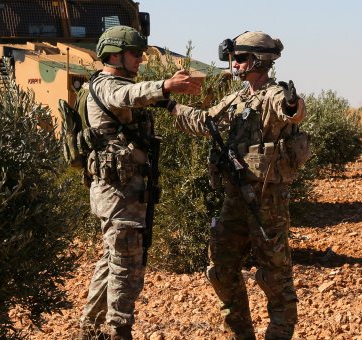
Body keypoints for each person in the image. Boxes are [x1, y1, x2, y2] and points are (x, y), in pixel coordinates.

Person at [170, 31, 308, 340]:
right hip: (235, 200)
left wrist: (291, 105)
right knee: (219, 267)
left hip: (265, 201)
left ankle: (279, 333)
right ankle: (240, 333)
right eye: (234, 57)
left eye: (241, 58)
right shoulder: (237, 98)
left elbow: (294, 111)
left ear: (259, 60)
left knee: (275, 276)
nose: (235, 63)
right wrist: (171, 107)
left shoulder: (274, 95)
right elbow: (206, 122)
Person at [76, 25, 201, 340]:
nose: (140, 59)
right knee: (126, 266)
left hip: (124, 194)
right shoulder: (108, 86)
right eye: (135, 53)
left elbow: (142, 99)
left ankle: (90, 328)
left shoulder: (117, 84)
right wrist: (165, 85)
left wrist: (173, 101)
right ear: (114, 55)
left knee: (112, 260)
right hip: (118, 195)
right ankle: (118, 329)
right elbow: (127, 95)